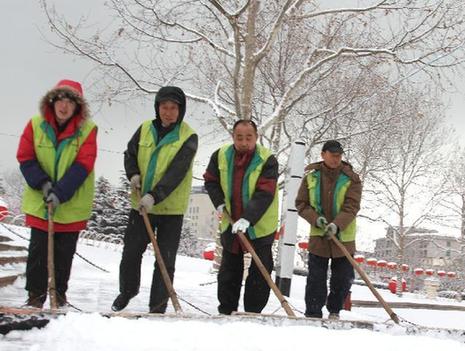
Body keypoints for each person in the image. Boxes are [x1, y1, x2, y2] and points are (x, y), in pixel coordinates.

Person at [112, 86, 198, 313]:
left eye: (173, 108)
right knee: (131, 251)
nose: (168, 112)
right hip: (140, 206)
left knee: (164, 260)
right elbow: (130, 153)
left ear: (181, 110)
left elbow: (176, 172)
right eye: (163, 107)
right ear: (157, 108)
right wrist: (133, 174)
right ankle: (127, 290)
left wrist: (155, 195)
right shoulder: (145, 129)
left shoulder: (188, 136)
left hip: (171, 209)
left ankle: (158, 305)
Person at [17, 79, 97, 308]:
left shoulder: (88, 130)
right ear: (52, 102)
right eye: (60, 100)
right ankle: (35, 297)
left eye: (70, 102)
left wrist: (60, 192)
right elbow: (26, 156)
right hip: (41, 202)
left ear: (77, 107)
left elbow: (84, 164)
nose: (64, 106)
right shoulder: (35, 125)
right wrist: (43, 184)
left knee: (63, 256)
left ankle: (59, 296)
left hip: (71, 205)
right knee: (38, 254)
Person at [203, 119, 279, 315]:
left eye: (248, 137)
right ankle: (226, 310)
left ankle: (253, 312)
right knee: (229, 270)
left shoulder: (267, 159)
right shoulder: (220, 156)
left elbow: (265, 192)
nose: (244, 142)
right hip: (231, 222)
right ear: (233, 137)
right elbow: (211, 181)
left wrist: (248, 218)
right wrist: (219, 202)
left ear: (256, 137)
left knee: (260, 271)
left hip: (260, 224)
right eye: (239, 137)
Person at [295, 140, 362, 319]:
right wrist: (317, 220)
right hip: (319, 235)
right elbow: (301, 204)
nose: (335, 159)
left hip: (343, 237)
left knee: (343, 278)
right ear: (323, 154)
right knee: (316, 279)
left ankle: (335, 311)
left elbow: (352, 206)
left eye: (338, 156)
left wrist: (337, 224)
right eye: (332, 155)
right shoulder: (311, 177)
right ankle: (313, 314)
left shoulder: (352, 179)